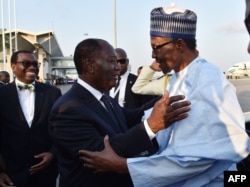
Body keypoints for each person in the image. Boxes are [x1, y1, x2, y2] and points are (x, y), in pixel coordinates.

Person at [79, 5, 250, 186]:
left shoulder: (208, 82)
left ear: (179, 45)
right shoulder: (179, 77)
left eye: (157, 47)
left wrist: (124, 166)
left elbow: (196, 158)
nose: (153, 55)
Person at [48, 38, 191, 187]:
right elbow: (103, 154)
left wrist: (169, 95)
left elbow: (131, 116)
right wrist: (151, 126)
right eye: (112, 61)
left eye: (118, 62)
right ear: (90, 66)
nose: (117, 67)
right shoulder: (67, 110)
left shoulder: (104, 98)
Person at [0, 50, 62, 187]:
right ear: (13, 66)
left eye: (35, 64)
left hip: (45, 171)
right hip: (11, 172)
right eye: (26, 63)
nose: (33, 67)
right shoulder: (2, 94)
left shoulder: (52, 93)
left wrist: (53, 154)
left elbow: (61, 129)